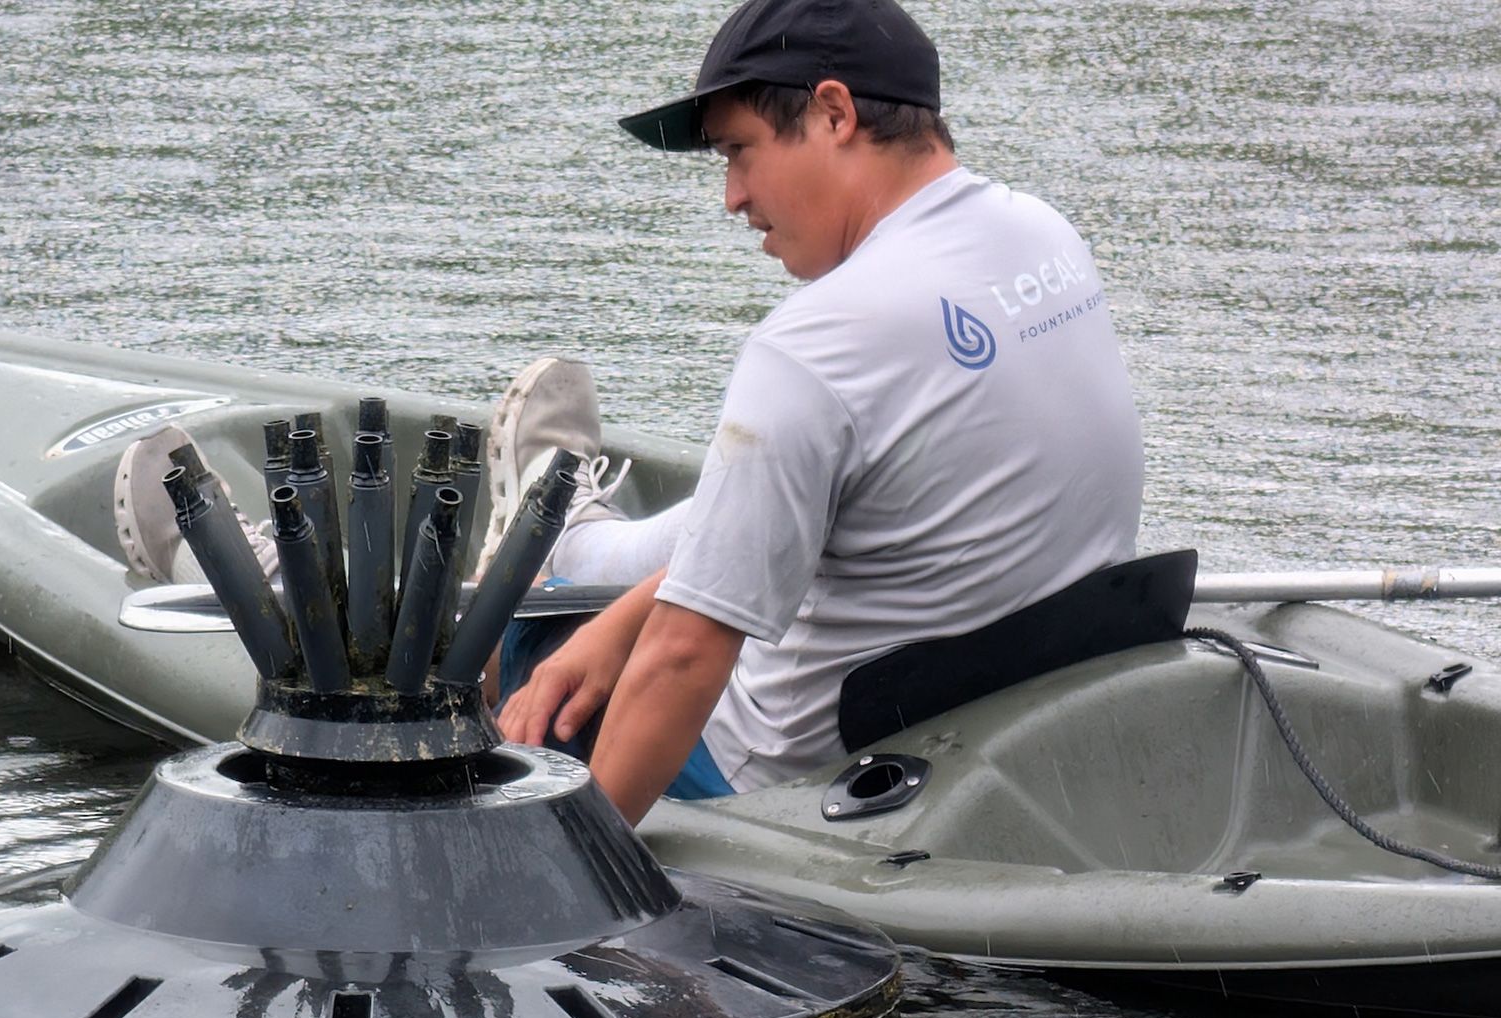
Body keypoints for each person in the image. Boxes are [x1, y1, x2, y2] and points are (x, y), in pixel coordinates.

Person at [485, 0, 1144, 825]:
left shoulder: (815, 345)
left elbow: (687, 658)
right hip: (988, 711)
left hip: (784, 770)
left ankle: (536, 554)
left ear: (833, 112)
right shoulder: (1045, 239)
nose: (731, 197)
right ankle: (572, 540)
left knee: (514, 631)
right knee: (720, 535)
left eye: (738, 152)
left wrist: (575, 884)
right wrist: (622, 623)